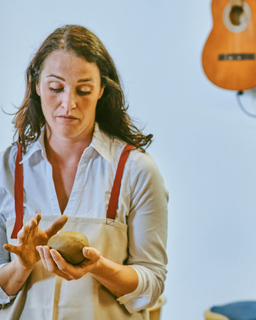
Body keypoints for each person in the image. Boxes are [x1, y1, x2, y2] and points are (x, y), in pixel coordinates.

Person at [0, 25, 168, 319]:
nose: (69, 103)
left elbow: (152, 282)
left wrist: (99, 267)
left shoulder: (136, 170)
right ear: (37, 85)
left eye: (84, 90)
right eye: (56, 88)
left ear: (102, 89)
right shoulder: (7, 168)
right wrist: (22, 265)